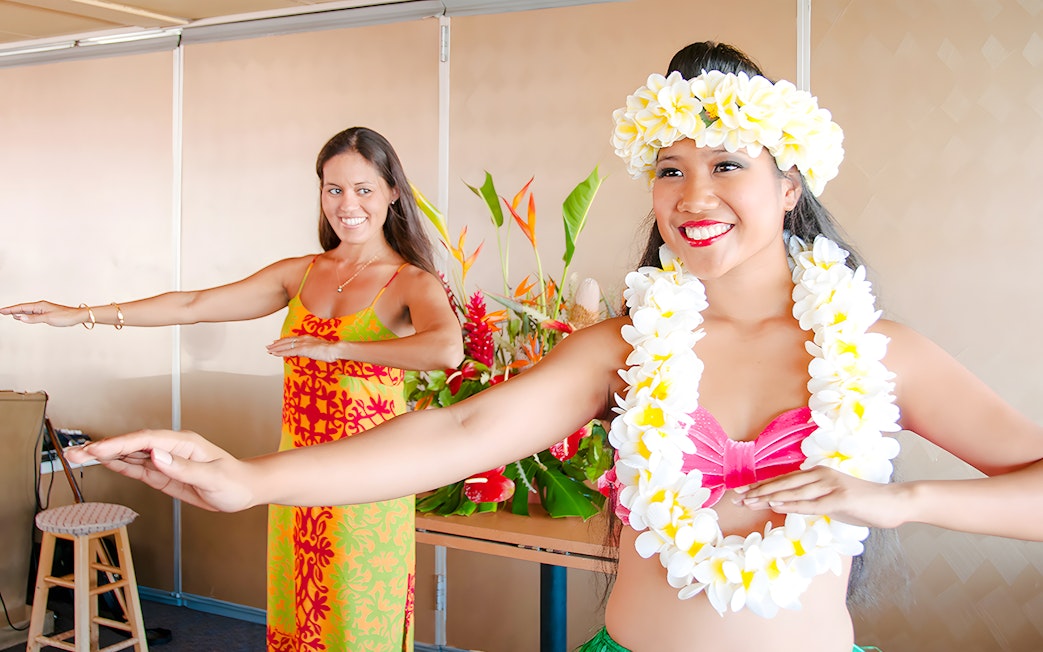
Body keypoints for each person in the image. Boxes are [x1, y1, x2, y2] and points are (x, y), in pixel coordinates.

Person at [59, 42, 1043, 652]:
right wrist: (250, 479)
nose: (691, 196)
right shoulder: (629, 347)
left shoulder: (875, 352)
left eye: (727, 165)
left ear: (788, 186)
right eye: (668, 169)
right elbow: (468, 424)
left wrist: (899, 498)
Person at [2, 126, 464, 652]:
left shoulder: (409, 281)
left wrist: (338, 350)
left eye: (363, 189)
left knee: (356, 626)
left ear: (392, 193)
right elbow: (193, 304)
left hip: (367, 482)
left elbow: (445, 350)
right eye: (334, 189)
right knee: (298, 619)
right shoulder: (301, 272)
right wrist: (80, 314)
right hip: (291, 480)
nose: (347, 204)